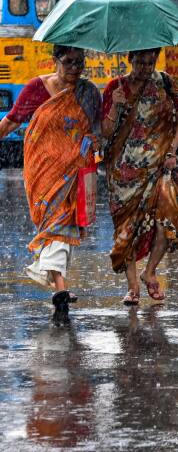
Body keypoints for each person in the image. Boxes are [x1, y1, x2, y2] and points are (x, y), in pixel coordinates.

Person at [0, 45, 101, 323]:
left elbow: (98, 130)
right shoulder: (36, 88)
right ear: (54, 61)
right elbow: (11, 122)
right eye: (68, 62)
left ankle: (60, 287)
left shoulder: (89, 93)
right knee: (56, 225)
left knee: (62, 225)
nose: (74, 69)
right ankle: (60, 285)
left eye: (80, 63)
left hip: (74, 170)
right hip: (42, 170)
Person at [102, 48, 178, 306]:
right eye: (140, 62)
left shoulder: (165, 83)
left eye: (150, 62)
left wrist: (172, 150)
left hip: (160, 166)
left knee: (167, 220)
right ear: (130, 59)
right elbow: (106, 132)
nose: (145, 68)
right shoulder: (115, 88)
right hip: (123, 172)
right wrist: (115, 107)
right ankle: (132, 288)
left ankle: (150, 271)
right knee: (127, 229)